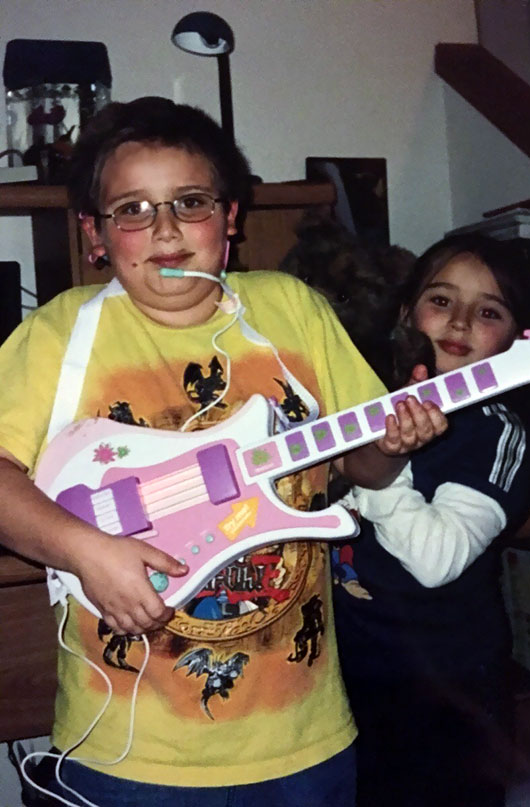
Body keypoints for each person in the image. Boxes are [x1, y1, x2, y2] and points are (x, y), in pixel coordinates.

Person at [0, 97, 447, 807]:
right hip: (132, 753)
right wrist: (85, 549)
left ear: (231, 217)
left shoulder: (292, 310)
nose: (166, 229)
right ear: (94, 233)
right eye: (133, 210)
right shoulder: (60, 334)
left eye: (190, 202)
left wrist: (395, 444)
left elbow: (361, 465)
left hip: (305, 737)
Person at [332, 234, 530, 807]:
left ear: (513, 338)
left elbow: (435, 560)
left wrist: (380, 467)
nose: (461, 321)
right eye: (442, 300)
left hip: (447, 695)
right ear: (406, 313)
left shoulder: (496, 431)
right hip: (347, 676)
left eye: (488, 312)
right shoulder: (364, 402)